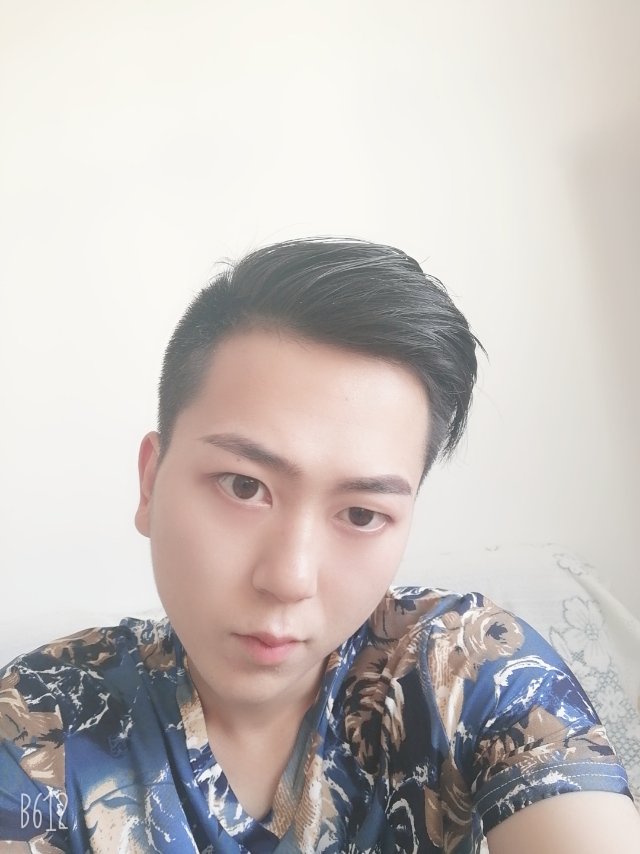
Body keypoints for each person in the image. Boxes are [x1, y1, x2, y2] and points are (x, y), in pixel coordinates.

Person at [0, 238, 637, 853]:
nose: (290, 578)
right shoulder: (40, 719)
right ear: (151, 482)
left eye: (361, 513)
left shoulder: (469, 667)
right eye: (243, 486)